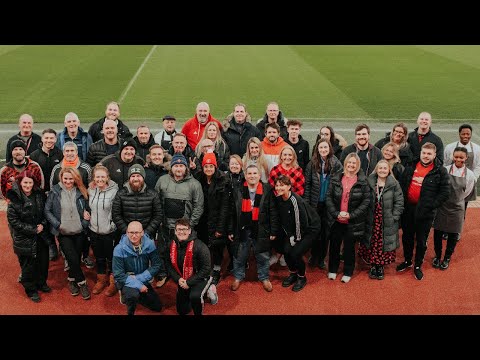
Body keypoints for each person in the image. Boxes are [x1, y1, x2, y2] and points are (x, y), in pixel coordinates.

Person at [397, 142, 450, 280]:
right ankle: (408, 261)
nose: (426, 156)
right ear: (420, 153)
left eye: (429, 154)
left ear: (434, 155)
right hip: (408, 209)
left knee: (421, 240)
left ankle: (418, 265)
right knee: (407, 237)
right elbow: (403, 183)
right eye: (424, 153)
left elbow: (445, 192)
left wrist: (431, 205)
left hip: (425, 212)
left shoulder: (440, 170)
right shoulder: (411, 165)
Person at [155, 154, 204, 286]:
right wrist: (159, 220)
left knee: (184, 253)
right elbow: (156, 202)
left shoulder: (195, 184)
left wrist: (190, 225)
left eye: (181, 165)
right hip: (165, 226)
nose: (178, 168)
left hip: (184, 229)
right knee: (163, 251)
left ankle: (183, 275)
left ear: (186, 168)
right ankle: (163, 274)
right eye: (176, 165)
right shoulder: (162, 180)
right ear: (171, 168)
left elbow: (198, 206)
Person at [228, 164, 279, 292]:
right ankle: (238, 277)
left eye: (255, 173)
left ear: (259, 175)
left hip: (261, 228)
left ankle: (264, 277)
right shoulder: (237, 189)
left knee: (263, 255)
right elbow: (231, 212)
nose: (252, 176)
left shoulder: (267, 190)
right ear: (245, 176)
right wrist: (230, 229)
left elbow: (273, 211)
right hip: (242, 228)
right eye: (249, 174)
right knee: (239, 255)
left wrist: (273, 230)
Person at [44, 167, 91, 300]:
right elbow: (47, 211)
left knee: (74, 258)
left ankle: (71, 279)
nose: (68, 181)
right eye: (65, 178)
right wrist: (58, 225)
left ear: (75, 178)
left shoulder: (81, 191)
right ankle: (82, 282)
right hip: (64, 233)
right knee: (73, 258)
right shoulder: (54, 191)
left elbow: (88, 210)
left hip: (79, 231)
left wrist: (85, 223)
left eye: (71, 178)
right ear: (61, 178)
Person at [326, 153, 371, 283]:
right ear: (345, 163)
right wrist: (336, 213)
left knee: (349, 248)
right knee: (334, 246)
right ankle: (333, 269)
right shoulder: (336, 178)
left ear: (357, 166)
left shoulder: (362, 181)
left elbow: (365, 202)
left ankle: (348, 271)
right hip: (336, 220)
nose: (351, 165)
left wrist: (351, 215)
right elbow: (329, 197)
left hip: (352, 222)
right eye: (349, 163)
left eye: (354, 163)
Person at [7, 171, 50, 303]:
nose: (28, 185)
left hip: (41, 235)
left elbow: (45, 212)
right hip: (25, 238)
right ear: (20, 183)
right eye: (25, 182)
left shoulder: (39, 194)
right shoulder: (14, 198)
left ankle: (41, 283)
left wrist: (42, 225)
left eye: (30, 182)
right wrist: (33, 229)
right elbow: (14, 222)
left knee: (43, 262)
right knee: (28, 265)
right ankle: (30, 289)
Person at [358, 160, 404, 280]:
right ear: (376, 170)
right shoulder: (369, 182)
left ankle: (380, 266)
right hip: (372, 219)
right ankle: (373, 265)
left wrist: (394, 217)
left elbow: (399, 202)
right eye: (380, 168)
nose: (382, 170)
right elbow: (364, 198)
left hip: (387, 220)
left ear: (389, 170)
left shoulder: (394, 184)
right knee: (373, 242)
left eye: (385, 168)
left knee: (383, 242)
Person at [274, 175, 320, 292]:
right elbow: (285, 220)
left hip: (310, 228)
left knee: (295, 253)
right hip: (295, 229)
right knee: (286, 250)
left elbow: (302, 222)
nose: (278, 188)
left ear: (289, 187)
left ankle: (301, 277)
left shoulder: (295, 200)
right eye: (277, 185)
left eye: (282, 185)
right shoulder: (279, 199)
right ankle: (293, 273)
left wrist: (296, 239)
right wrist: (290, 235)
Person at [432, 147, 475, 270]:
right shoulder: (445, 170)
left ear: (466, 158)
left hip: (457, 208)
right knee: (438, 232)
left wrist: (457, 199)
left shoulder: (470, 175)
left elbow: (467, 191)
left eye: (461, 157)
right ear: (452, 156)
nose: (458, 159)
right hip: (442, 206)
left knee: (453, 234)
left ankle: (446, 258)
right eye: (456, 156)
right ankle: (437, 255)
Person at [304, 137, 343, 270]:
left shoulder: (336, 163)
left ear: (329, 149)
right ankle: (313, 255)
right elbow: (307, 185)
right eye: (321, 148)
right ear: (317, 149)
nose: (323, 150)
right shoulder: (311, 164)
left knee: (326, 232)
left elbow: (338, 185)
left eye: (325, 147)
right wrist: (307, 203)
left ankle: (321, 258)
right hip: (315, 204)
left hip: (329, 204)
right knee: (315, 230)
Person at [166, 218, 216, 315]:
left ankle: (210, 288)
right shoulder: (170, 245)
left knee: (195, 297)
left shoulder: (200, 246)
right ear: (175, 231)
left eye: (184, 229)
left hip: (201, 277)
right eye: (179, 229)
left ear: (189, 231)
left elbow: (206, 269)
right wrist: (178, 279)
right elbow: (168, 264)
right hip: (183, 278)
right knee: (182, 311)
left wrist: (189, 282)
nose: (181, 232)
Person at [194, 152, 230, 285]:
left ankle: (216, 270)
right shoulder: (198, 178)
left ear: (215, 167)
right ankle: (204, 269)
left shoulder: (223, 181)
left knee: (217, 247)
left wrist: (220, 227)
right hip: (203, 220)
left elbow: (224, 207)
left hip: (216, 220)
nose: (208, 169)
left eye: (211, 166)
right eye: (206, 166)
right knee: (203, 245)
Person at [112, 221, 162, 315]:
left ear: (142, 232)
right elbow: (118, 274)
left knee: (157, 306)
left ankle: (136, 295)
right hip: (126, 280)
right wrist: (139, 285)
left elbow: (156, 265)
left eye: (137, 232)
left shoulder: (150, 244)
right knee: (132, 295)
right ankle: (128, 298)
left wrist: (139, 279)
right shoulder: (119, 249)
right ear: (127, 232)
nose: (134, 236)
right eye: (131, 233)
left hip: (143, 279)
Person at [30, 129, 64, 260]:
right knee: (44, 218)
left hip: (57, 194)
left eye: (52, 138)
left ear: (55, 140)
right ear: (42, 139)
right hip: (40, 195)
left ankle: (62, 244)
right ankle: (51, 245)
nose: (49, 141)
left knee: (58, 218)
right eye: (47, 138)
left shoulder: (60, 154)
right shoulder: (34, 155)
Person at [87, 165, 119, 295]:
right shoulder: (91, 190)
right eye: (97, 177)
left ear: (107, 178)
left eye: (102, 176)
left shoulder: (115, 190)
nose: (100, 179)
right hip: (94, 230)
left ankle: (113, 282)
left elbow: (117, 211)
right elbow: (88, 205)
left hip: (109, 232)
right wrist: (86, 212)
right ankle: (101, 280)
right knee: (99, 257)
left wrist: (112, 225)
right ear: (94, 178)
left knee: (111, 258)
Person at [444, 124, 480, 212]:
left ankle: (460, 224)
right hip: (451, 182)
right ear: (459, 134)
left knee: (462, 208)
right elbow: (445, 163)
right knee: (447, 207)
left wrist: (474, 178)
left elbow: (478, 166)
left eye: (468, 134)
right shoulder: (449, 147)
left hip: (467, 183)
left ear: (471, 134)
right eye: (463, 134)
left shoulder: (477, 149)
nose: (465, 136)